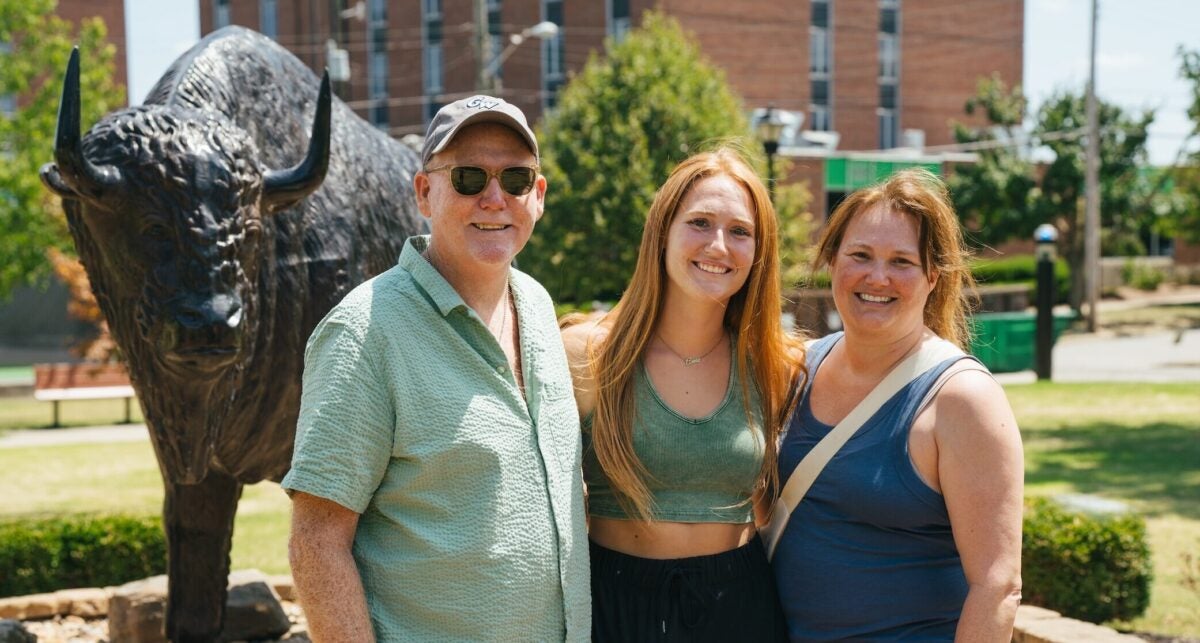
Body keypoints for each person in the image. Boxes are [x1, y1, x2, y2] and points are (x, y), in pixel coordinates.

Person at [283, 95, 589, 642]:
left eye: (516, 180)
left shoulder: (539, 306)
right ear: (425, 192)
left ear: (537, 196)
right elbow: (317, 541)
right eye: (469, 177)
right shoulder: (364, 332)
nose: (495, 199)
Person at [562, 147, 804, 642]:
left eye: (740, 231)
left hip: (741, 607)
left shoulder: (778, 366)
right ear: (662, 232)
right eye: (699, 222)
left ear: (759, 252)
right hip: (614, 607)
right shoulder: (587, 356)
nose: (719, 245)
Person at [771, 168, 1024, 641]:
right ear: (832, 262)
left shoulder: (962, 399)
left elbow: (998, 586)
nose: (877, 277)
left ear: (933, 276)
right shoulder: (800, 367)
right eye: (860, 255)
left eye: (902, 262)